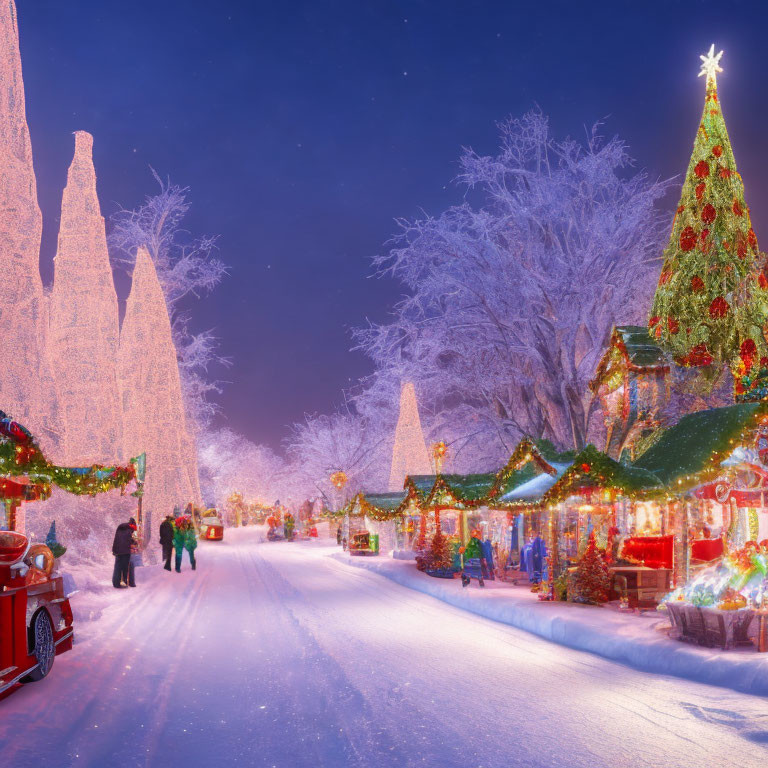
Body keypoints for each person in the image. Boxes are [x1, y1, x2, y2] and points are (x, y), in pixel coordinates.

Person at [112, 521, 133, 588]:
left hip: (118, 551)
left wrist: (114, 550)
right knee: (125, 568)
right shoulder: (128, 530)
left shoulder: (120, 528)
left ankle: (116, 583)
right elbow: (128, 540)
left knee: (117, 567)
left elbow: (116, 540)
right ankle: (124, 582)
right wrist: (133, 542)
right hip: (125, 552)